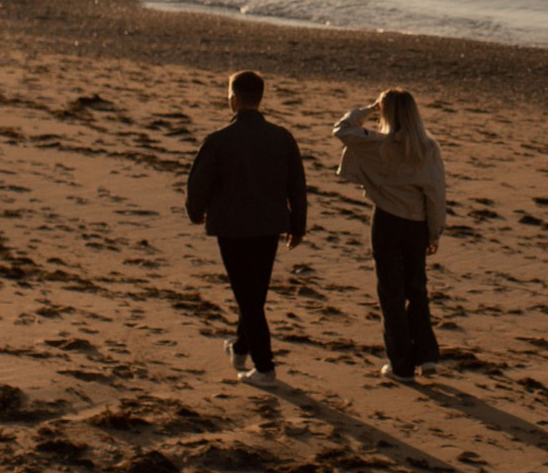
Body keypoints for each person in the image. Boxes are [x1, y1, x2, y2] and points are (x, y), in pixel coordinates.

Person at [185, 70, 307, 383]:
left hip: (232, 226)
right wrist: (298, 224)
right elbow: (297, 185)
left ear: (234, 99)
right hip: (268, 225)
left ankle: (265, 366)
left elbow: (198, 183)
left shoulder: (219, 140)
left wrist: (195, 211)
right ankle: (240, 349)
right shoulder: (282, 137)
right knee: (252, 293)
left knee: (249, 297)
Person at [332, 88, 447, 381]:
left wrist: (369, 108)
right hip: (416, 224)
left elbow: (342, 129)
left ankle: (402, 364)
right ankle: (428, 355)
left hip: (386, 221)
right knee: (416, 288)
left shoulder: (378, 144)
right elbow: (435, 195)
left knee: (391, 293)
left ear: (387, 114)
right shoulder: (427, 148)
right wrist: (434, 233)